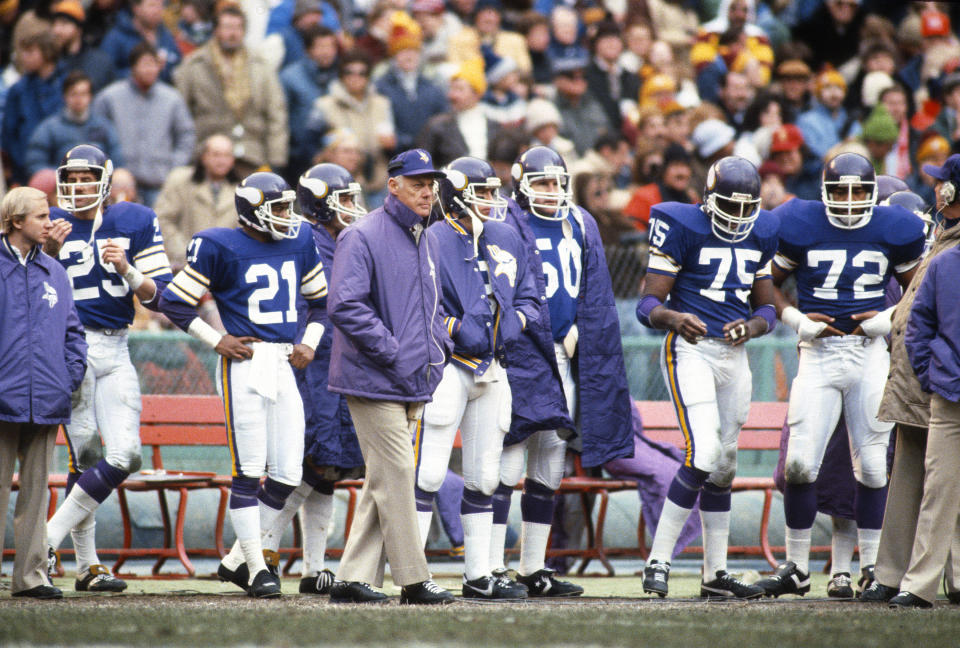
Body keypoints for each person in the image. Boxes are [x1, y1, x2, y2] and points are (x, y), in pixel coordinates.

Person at [757, 152, 926, 598]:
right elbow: (765, 281)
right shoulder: (799, 222)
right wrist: (794, 318)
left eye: (857, 192)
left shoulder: (896, 229)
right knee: (800, 462)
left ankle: (872, 566)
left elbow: (920, 289)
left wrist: (887, 318)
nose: (849, 201)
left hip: (869, 352)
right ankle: (796, 566)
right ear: (824, 192)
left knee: (872, 465)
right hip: (818, 351)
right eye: (839, 191)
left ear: (873, 195)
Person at [158, 171, 328, 598]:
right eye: (279, 208)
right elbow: (173, 302)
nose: (288, 216)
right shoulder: (218, 244)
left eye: (289, 206)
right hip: (246, 363)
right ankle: (255, 568)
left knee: (289, 474)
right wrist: (216, 339)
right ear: (252, 210)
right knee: (249, 471)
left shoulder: (300, 240)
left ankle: (235, 561)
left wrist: (309, 342)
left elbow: (322, 304)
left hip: (285, 359)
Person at [490, 146, 633, 596]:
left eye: (557, 182)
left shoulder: (581, 222)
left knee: (550, 460)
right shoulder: (502, 218)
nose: (552, 192)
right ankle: (490, 566)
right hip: (516, 352)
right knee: (507, 460)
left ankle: (533, 567)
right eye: (542, 183)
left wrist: (579, 334)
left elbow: (594, 291)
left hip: (563, 352)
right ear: (521, 183)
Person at [637, 156, 778, 599]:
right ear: (707, 198)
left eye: (745, 208)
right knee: (704, 453)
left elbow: (768, 310)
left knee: (725, 464)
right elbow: (647, 305)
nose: (737, 218)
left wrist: (750, 327)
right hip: (691, 351)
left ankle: (715, 573)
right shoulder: (682, 225)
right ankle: (658, 561)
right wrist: (675, 317)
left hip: (734, 357)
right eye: (728, 206)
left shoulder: (764, 232)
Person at [325, 148, 455, 605]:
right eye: (417, 183)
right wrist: (395, 353)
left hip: (412, 378)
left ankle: (351, 578)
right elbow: (344, 305)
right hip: (373, 377)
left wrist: (439, 351)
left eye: (431, 183)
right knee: (399, 471)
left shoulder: (430, 236)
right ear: (393, 184)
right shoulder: (361, 234)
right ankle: (414, 579)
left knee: (384, 478)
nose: (427, 190)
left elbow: (434, 307)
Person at [43, 144, 173, 593]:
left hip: (116, 346)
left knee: (125, 454)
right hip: (70, 348)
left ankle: (45, 538)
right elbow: (30, 294)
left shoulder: (134, 219)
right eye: (72, 179)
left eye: (87, 178)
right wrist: (50, 254)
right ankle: (88, 566)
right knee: (87, 458)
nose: (78, 187)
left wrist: (129, 270)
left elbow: (162, 296)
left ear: (105, 178)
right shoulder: (49, 221)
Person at [414, 156, 539, 600]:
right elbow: (420, 303)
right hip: (448, 367)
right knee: (428, 474)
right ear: (457, 195)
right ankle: (414, 574)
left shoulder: (507, 234)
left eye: (493, 191)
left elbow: (530, 294)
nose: (491, 200)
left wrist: (515, 324)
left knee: (484, 477)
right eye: (482, 192)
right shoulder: (432, 238)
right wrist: (452, 330)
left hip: (495, 365)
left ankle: (478, 574)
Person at [248, 163, 367, 596]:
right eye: (346, 199)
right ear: (322, 203)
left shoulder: (336, 240)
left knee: (327, 466)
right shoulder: (307, 241)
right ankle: (250, 553)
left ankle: (313, 565)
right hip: (311, 364)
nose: (354, 208)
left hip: (333, 361)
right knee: (313, 460)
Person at [863, 155, 960, 605]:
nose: (939, 190)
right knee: (906, 475)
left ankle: (944, 579)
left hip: (939, 379)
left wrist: (929, 369)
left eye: (943, 184)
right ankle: (890, 573)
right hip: (919, 378)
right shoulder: (944, 236)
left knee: (945, 483)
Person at [0, 187, 86, 600]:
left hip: (46, 398)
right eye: (40, 216)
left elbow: (74, 334)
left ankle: (31, 577)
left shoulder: (55, 271)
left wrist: (67, 377)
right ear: (16, 222)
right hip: (3, 398)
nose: (49, 223)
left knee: (37, 495)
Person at [889, 224, 960, 608]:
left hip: (949, 387)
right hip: (950, 396)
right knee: (938, 490)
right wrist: (934, 375)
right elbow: (919, 326)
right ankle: (919, 586)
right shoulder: (944, 263)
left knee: (941, 491)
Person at [174, 4, 288, 176]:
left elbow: (276, 113)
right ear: (216, 30)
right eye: (227, 27)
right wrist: (187, 157)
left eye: (238, 28)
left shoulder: (261, 65)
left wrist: (276, 159)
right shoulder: (194, 65)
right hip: (206, 156)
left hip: (253, 156)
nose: (233, 34)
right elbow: (180, 114)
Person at [91, 42, 196, 207]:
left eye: (153, 65)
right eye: (144, 65)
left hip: (159, 182)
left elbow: (186, 135)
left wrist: (174, 168)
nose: (149, 70)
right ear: (133, 67)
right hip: (120, 182)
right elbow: (95, 136)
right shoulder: (109, 97)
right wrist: (110, 169)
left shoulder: (172, 98)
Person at [155, 134, 240, 267]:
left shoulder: (240, 189)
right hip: (184, 265)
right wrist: (184, 253)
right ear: (203, 157)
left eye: (227, 155)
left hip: (227, 268)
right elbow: (162, 219)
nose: (222, 161)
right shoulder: (179, 181)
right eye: (216, 155)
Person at [25, 71, 123, 178]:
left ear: (90, 96)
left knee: (122, 177)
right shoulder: (49, 128)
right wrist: (61, 176)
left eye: (83, 94)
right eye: (73, 94)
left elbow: (117, 160)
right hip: (61, 187)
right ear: (64, 96)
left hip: (98, 183)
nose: (78, 99)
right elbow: (35, 162)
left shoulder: (104, 126)